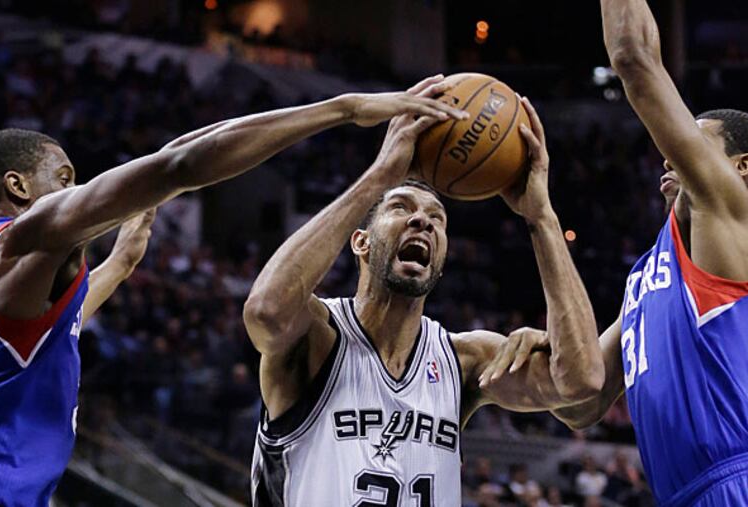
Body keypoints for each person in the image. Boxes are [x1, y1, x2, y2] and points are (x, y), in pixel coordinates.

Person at [0, 78, 465, 505]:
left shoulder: (19, 286)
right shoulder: (19, 243)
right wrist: (346, 109)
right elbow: (180, 165)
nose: (79, 189)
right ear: (18, 186)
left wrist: (119, 265)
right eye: (66, 179)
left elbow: (51, 336)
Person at [244, 77, 605, 505]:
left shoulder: (465, 361)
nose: (423, 221)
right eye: (401, 208)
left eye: (437, 218)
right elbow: (265, 311)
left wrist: (541, 217)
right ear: (360, 242)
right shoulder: (317, 338)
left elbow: (581, 383)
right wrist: (380, 176)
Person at [494, 1, 748, 505]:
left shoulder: (733, 215)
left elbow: (633, 58)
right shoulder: (646, 277)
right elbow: (580, 402)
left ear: (742, 168)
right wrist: (540, 215)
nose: (669, 151)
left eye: (693, 144)